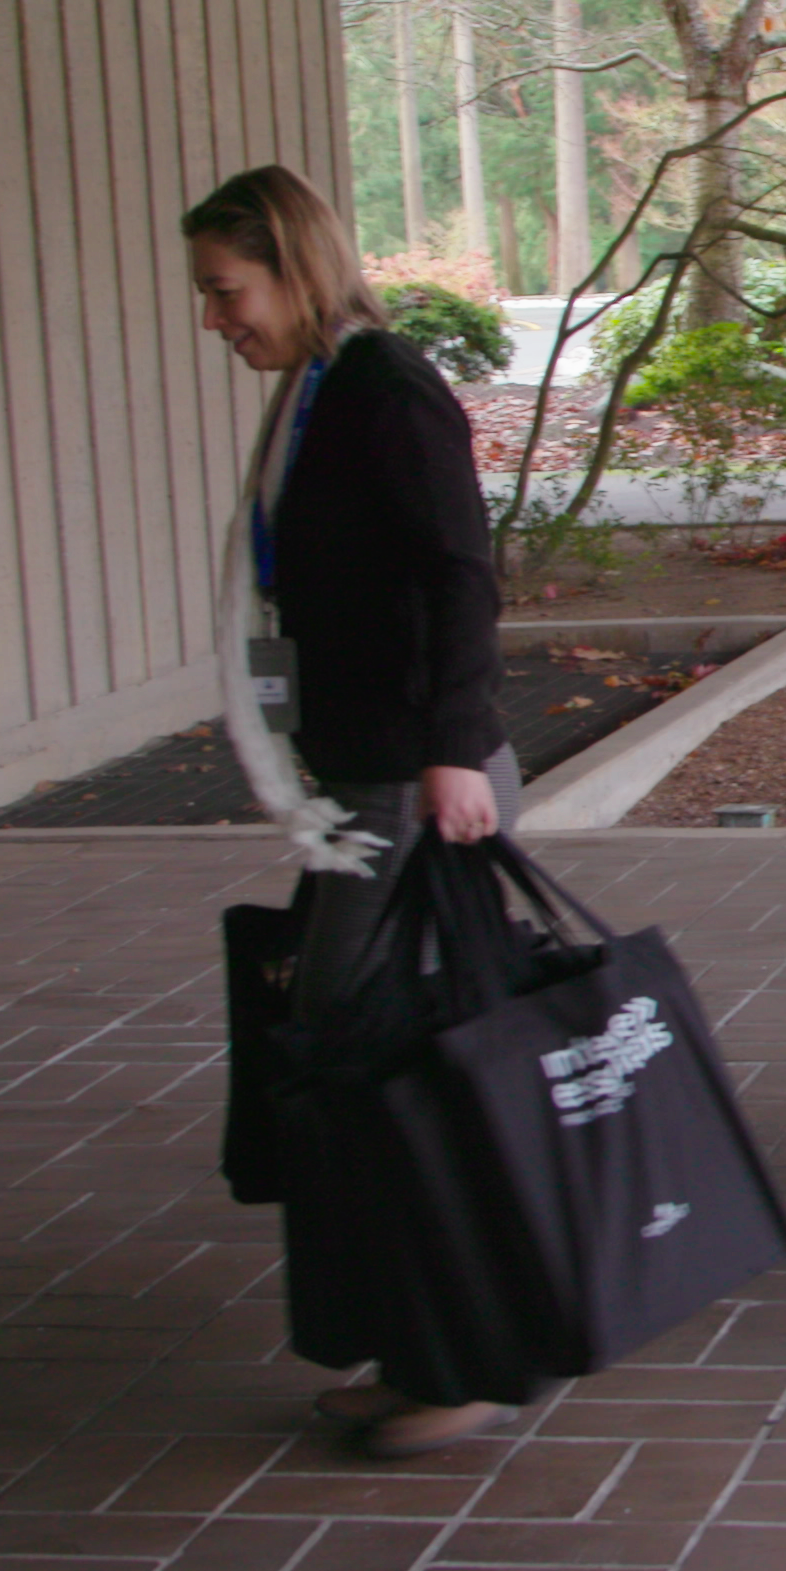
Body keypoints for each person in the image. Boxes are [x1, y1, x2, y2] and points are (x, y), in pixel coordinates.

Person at [189, 164, 529, 1458]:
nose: (219, 320)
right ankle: (421, 1348)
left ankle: (469, 1356)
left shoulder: (383, 391)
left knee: (388, 1067)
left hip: (408, 782)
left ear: (296, 266)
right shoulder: (317, 392)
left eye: (229, 293)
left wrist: (450, 754)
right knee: (373, 1062)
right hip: (361, 781)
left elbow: (459, 575)